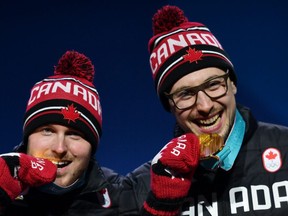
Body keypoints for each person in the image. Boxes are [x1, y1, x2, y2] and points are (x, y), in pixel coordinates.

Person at [141, 5, 288, 216]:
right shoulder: (145, 184)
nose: (205, 106)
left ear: (233, 84)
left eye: (213, 85)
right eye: (186, 94)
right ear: (170, 106)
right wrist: (159, 208)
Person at [0, 50, 145, 215]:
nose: (60, 148)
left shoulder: (126, 197)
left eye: (73, 134)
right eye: (47, 131)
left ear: (92, 146)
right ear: (28, 139)